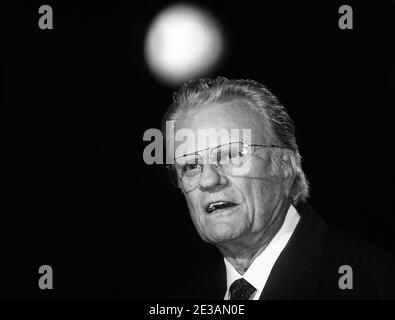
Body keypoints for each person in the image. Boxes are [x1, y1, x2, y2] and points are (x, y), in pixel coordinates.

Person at [161, 77, 395, 300]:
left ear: (284, 167)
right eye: (191, 165)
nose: (208, 179)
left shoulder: (373, 280)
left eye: (231, 155)